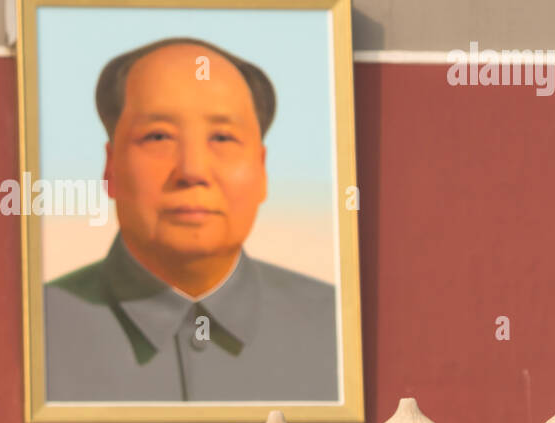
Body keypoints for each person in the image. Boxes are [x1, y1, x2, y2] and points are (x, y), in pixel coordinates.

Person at [43, 38, 338, 402]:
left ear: (262, 170)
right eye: (158, 136)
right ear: (110, 167)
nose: (193, 170)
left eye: (222, 137)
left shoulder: (337, 328)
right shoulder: (38, 327)